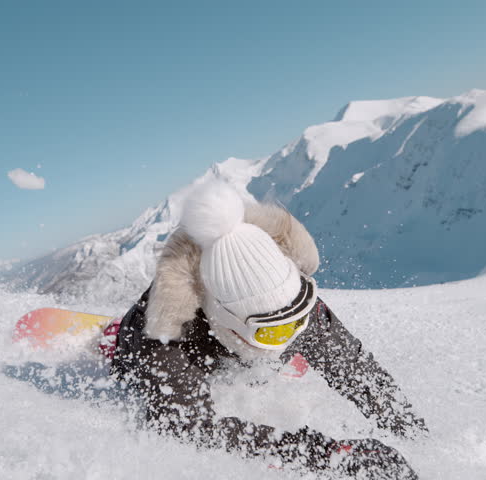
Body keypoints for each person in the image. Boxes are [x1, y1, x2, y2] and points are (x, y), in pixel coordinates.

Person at [109, 182, 427, 479]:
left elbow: (354, 368)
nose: (293, 334)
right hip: (174, 347)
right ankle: (115, 339)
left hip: (236, 345)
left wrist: (412, 431)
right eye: (273, 332)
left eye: (296, 321)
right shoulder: (166, 337)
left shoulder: (294, 303)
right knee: (134, 369)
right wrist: (326, 454)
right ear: (229, 321)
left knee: (292, 344)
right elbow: (186, 426)